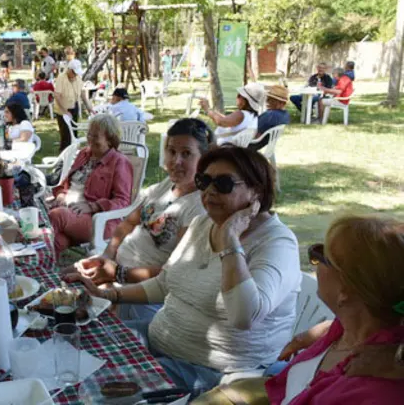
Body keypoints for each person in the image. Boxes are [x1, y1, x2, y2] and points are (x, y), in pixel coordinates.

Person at [66, 145, 301, 398]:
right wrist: (112, 296)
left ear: (257, 191)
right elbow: (167, 282)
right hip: (158, 339)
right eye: (204, 181)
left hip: (211, 371)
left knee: (94, 390)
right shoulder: (203, 223)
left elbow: (244, 316)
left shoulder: (277, 243)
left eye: (223, 183)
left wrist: (230, 241)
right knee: (78, 347)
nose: (209, 191)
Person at [194, 215, 404, 404]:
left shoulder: (371, 385)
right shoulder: (350, 325)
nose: (314, 262)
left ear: (346, 290)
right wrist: (308, 337)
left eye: (320, 254)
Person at [62, 119, 211, 320]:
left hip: (138, 289)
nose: (176, 161)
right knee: (62, 279)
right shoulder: (167, 185)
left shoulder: (198, 208)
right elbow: (129, 223)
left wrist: (115, 275)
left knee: (71, 308)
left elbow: (173, 273)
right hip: (115, 267)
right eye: (171, 151)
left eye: (186, 154)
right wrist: (107, 254)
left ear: (204, 159)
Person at [48, 114, 133, 257]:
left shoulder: (119, 162)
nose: (90, 140)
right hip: (71, 211)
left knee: (56, 216)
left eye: (96, 136)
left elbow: (123, 201)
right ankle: (40, 271)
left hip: (99, 221)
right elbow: (67, 182)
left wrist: (93, 206)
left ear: (110, 139)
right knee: (59, 240)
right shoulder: (84, 154)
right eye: (89, 134)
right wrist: (62, 194)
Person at [53, 59, 95, 152]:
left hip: (73, 106)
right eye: (74, 73)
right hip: (62, 109)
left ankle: (73, 153)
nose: (75, 75)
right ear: (69, 70)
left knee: (74, 133)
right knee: (66, 135)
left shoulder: (78, 78)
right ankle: (63, 156)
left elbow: (82, 93)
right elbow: (57, 95)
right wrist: (65, 111)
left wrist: (88, 107)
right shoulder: (61, 78)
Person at [249, 85, 290, 151]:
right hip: (262, 143)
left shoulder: (270, 115)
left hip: (250, 144)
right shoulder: (285, 115)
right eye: (268, 98)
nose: (267, 101)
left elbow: (255, 134)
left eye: (270, 99)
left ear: (279, 102)